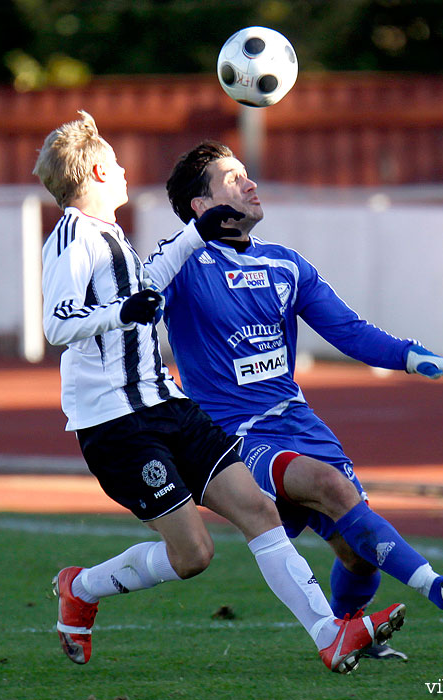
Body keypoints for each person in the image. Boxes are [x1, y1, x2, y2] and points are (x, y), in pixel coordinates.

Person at [34, 111, 406, 674]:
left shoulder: (113, 235)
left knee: (257, 507)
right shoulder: (70, 237)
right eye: (113, 161)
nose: (124, 169)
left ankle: (330, 635)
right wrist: (120, 311)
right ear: (92, 170)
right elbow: (57, 325)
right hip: (117, 423)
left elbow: (148, 283)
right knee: (194, 555)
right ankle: (80, 587)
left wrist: (195, 234)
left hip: (165, 401)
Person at [150, 141, 443, 659]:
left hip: (299, 423)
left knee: (359, 557)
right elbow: (136, 310)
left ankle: (354, 630)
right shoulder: (181, 266)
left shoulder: (284, 264)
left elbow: (349, 331)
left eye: (247, 175)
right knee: (330, 485)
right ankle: (439, 590)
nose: (251, 184)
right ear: (201, 206)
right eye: (233, 178)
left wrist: (421, 359)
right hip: (237, 435)